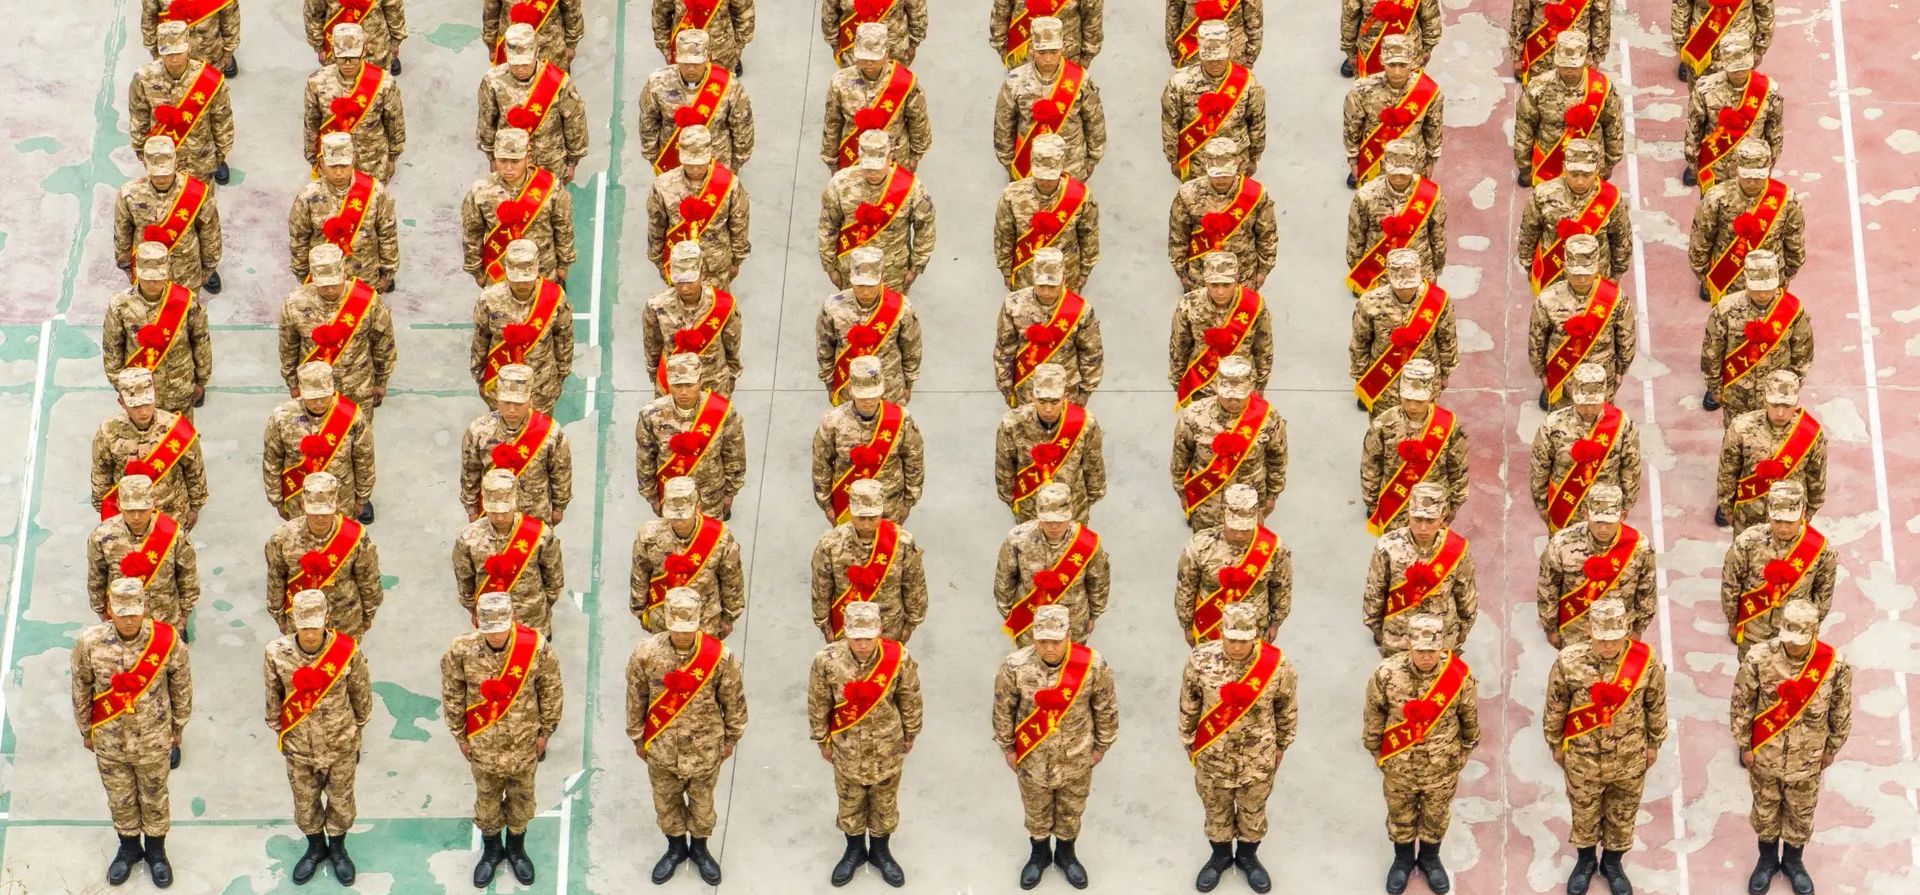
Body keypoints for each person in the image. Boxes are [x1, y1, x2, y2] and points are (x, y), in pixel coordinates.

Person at [1543, 598, 1668, 895]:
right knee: (1584, 813)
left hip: (1629, 757)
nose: (1609, 645)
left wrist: (1654, 744)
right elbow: (1556, 706)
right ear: (1589, 630)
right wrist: (1556, 745)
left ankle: (1612, 863)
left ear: (1625, 631)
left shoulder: (1646, 662)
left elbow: (1656, 706)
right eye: (1602, 639)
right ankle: (1585, 862)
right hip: (1583, 757)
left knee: (1622, 815)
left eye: (1614, 638)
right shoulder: (1569, 661)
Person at [73, 578, 192, 887]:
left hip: (153, 737)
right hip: (110, 737)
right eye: (122, 613)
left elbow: (181, 686)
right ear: (110, 610)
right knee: (120, 796)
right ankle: (128, 848)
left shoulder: (166, 641)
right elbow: (81, 686)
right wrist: (85, 729)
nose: (128, 620)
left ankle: (156, 851)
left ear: (144, 608)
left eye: (134, 613)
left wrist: (178, 727)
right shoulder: (90, 642)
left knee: (155, 795)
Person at [992, 604, 1120, 890]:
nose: (1049, 648)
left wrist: (1101, 746)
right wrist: (1008, 749)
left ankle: (1066, 854)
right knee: (1035, 809)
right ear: (1033, 637)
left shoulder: (1092, 665)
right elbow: (1003, 709)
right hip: (1033, 756)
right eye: (1042, 641)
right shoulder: (1015, 666)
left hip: (1076, 754)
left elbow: (1105, 707)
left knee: (1071, 808)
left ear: (1068, 636)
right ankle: (1039, 855)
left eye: (1056, 641)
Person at [443, 591, 564, 887]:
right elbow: (453, 694)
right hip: (483, 745)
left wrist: (545, 732)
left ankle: (517, 849)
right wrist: (460, 736)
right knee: (487, 802)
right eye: (489, 630)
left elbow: (551, 690)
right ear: (478, 625)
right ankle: (492, 850)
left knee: (522, 799)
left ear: (513, 620)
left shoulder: (535, 648)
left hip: (524, 743)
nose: (496, 636)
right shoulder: (461, 650)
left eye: (501, 629)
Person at [1730, 599, 1850, 895]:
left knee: (1801, 813)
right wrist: (1745, 745)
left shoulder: (1833, 666)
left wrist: (1832, 747)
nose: (1793, 645)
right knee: (1765, 810)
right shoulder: (1760, 658)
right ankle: (1767, 860)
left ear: (1814, 633)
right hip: (1766, 754)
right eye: (1789, 638)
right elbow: (1742, 703)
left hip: (1808, 758)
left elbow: (1841, 709)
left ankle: (1794, 863)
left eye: (1800, 640)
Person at [628, 588, 747, 885]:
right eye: (677, 628)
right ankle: (676, 848)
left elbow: (733, 702)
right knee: (666, 803)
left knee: (702, 805)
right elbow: (636, 698)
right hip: (662, 747)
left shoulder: (719, 657)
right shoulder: (646, 654)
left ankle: (701, 850)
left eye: (688, 628)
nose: (682, 635)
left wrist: (730, 740)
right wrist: (638, 739)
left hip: (705, 748)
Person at [1179, 602, 1294, 894]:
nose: (1238, 647)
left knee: (1253, 811)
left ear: (1256, 635)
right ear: (1221, 633)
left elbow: (1286, 708)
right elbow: (1189, 703)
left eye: (1244, 640)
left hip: (1258, 757)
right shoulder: (1200, 660)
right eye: (1231, 639)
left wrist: (1282, 745)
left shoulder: (1277, 665)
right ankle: (1219, 857)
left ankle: (1247, 857)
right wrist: (1189, 741)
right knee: (1215, 809)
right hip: (1213, 755)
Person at [809, 600, 924, 887]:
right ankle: (855, 850)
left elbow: (909, 698)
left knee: (885, 802)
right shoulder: (827, 660)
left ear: (880, 631)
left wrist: (910, 734)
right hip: (847, 746)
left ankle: (881, 852)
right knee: (850, 801)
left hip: (887, 745)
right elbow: (818, 702)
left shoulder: (897, 658)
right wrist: (822, 740)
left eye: (868, 638)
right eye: (856, 637)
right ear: (846, 632)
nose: (862, 645)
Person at [1363, 614, 1479, 895]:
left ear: (1441, 647)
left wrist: (1464, 752)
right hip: (1399, 764)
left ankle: (1430, 858)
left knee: (1436, 816)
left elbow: (1469, 718)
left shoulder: (1457, 676)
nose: (1426, 657)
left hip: (1442, 765)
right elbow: (1374, 713)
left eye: (1432, 651)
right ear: (1408, 645)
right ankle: (1402, 860)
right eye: (1420, 651)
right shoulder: (1387, 674)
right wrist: (1376, 749)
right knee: (1400, 814)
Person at [264, 589, 373, 885]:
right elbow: (273, 697)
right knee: (305, 803)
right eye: (304, 626)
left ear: (327, 619)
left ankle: (338, 849)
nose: (310, 633)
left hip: (340, 744)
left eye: (315, 625)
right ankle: (315, 848)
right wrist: (281, 732)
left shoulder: (347, 651)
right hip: (299, 746)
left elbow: (361, 696)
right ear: (293, 623)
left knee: (341, 802)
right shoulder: (277, 653)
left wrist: (354, 732)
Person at [1720, 481, 1834, 656]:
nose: (1783, 528)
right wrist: (1732, 621)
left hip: (1795, 637)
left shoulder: (1820, 551)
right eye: (1777, 520)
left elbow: (1823, 594)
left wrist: (1811, 627)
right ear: (1768, 513)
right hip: (1754, 631)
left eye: (1790, 521)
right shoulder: (1748, 542)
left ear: (1802, 514)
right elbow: (1731, 585)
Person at [264, 471, 384, 637]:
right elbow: (276, 578)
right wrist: (278, 615)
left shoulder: (355, 536)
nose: (320, 518)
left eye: (326, 511)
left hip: (345, 619)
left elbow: (368, 578)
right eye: (314, 512)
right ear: (302, 505)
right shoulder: (282, 538)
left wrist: (369, 613)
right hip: (302, 623)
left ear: (336, 503)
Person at [1362, 483, 1476, 655]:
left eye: (1430, 520)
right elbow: (1375, 594)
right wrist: (1381, 631)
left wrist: (1462, 631)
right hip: (1399, 639)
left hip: (1442, 641)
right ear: (1408, 515)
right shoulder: (1388, 547)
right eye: (1417, 519)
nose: (1423, 528)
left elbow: (1466, 596)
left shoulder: (1456, 548)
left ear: (1442, 517)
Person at [279, 244, 398, 410]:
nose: (330, 289)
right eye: (323, 284)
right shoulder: (295, 304)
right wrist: (293, 383)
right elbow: (288, 347)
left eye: (334, 283)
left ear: (344, 272)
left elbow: (383, 344)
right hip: (314, 394)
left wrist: (381, 381)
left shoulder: (368, 301)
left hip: (358, 388)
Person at [1172, 356, 1286, 530]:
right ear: (1217, 387)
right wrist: (1182, 493)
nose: (1233, 402)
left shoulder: (1267, 418)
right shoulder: (1194, 415)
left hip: (1248, 506)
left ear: (1250, 388)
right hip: (1207, 503)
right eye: (1228, 396)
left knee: (1246, 545)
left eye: (1239, 396)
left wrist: (1273, 495)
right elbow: (1180, 456)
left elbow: (1277, 457)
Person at [1536, 484, 1656, 648]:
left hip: (1617, 635)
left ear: (1622, 516)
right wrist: (1550, 628)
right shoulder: (1561, 544)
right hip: (1575, 632)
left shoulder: (1639, 547)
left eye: (1609, 522)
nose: (1603, 529)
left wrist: (1639, 628)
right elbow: (1548, 586)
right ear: (1586, 514)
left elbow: (1646, 589)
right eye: (1598, 521)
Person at [1700, 250, 1812, 423]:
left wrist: (1792, 386)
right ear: (1746, 279)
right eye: (1757, 288)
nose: (1762, 295)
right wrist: (1715, 387)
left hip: (1776, 399)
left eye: (1767, 288)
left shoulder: (1791, 309)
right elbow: (1712, 351)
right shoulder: (1726, 309)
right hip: (1737, 395)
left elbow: (1803, 351)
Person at [1529, 364, 1644, 532]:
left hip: (1605, 511)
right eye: (1583, 403)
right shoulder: (1553, 424)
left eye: (1594, 403)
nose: (1589, 409)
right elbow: (1540, 465)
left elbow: (1631, 466)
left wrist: (1626, 504)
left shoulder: (1622, 425)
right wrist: (1541, 503)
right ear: (1573, 394)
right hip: (1566, 506)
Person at [1688, 139, 1805, 303]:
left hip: (1768, 287)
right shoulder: (1717, 198)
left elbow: (1794, 243)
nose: (1752, 182)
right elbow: (1701, 240)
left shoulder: (1786, 200)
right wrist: (1705, 276)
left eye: (1758, 177)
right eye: (1746, 176)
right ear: (1738, 169)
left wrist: (1786, 276)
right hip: (1726, 283)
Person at [818, 130, 937, 291]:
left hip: (893, 273)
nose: (873, 173)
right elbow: (828, 225)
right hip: (852, 272)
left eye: (878, 168)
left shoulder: (911, 188)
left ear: (890, 158)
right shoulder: (840, 183)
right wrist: (830, 266)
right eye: (868, 168)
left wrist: (916, 266)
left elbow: (926, 227)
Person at [103, 242, 212, 416]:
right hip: (140, 392)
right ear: (137, 272)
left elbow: (201, 340)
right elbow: (112, 348)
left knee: (179, 432)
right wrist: (120, 385)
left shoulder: (186, 301)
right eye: (147, 277)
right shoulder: (121, 305)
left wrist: (201, 379)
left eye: (157, 277)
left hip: (179, 385)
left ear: (167, 272)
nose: (152, 283)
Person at [812, 356, 926, 522]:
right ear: (850, 389)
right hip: (848, 505)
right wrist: (826, 504)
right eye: (862, 396)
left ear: (882, 389)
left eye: (873, 395)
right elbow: (821, 464)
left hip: (889, 504)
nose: (868, 402)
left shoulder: (901, 420)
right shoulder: (832, 422)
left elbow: (914, 461)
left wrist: (909, 501)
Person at [811, 480, 928, 642]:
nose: (866, 525)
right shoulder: (831, 543)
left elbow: (914, 585)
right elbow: (821, 587)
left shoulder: (901, 542)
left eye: (872, 518)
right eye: (861, 518)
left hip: (889, 626)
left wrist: (911, 624)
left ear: (881, 511)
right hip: (848, 629)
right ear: (851, 511)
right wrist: (825, 625)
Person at [1527, 235, 1635, 410]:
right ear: (1565, 268)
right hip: (1562, 374)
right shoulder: (1548, 299)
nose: (1582, 280)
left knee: (1600, 419)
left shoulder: (1614, 298)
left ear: (1597, 267)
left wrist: (1621, 370)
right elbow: (1537, 339)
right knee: (1561, 420)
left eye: (1587, 273)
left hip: (1601, 373)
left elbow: (1626, 336)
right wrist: (1541, 373)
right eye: (1577, 274)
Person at [994, 483, 1110, 644]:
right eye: (1048, 521)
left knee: (1070, 660)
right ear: (1038, 514)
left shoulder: (1086, 542)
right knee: (1030, 659)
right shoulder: (1018, 539)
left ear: (1070, 513)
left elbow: (1098, 581)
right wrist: (1009, 614)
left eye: (1060, 520)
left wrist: (1094, 615)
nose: (1054, 526)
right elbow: (1004, 579)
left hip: (1073, 622)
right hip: (1030, 620)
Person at [1359, 360, 1467, 533]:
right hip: (1395, 505)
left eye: (1419, 401)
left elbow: (1458, 467)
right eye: (1407, 399)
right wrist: (1372, 503)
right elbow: (1371, 465)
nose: (1413, 406)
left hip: (1434, 508)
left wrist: (1455, 503)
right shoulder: (1383, 424)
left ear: (1431, 395)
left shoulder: (1447, 425)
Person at [92, 368, 208, 527]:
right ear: (122, 403)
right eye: (136, 406)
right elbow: (101, 473)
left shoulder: (175, 428)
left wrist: (195, 506)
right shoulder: (108, 432)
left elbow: (194, 468)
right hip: (129, 517)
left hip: (172, 513)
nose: (143, 412)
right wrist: (104, 510)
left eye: (147, 403)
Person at [454, 470, 566, 635]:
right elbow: (465, 581)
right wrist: (475, 609)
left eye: (505, 512)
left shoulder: (539, 534)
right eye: (493, 512)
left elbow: (554, 577)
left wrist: (541, 605)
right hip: (491, 625)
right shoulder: (469, 539)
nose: (499, 518)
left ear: (515, 503)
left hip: (533, 621)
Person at [636, 354, 749, 518]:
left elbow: (734, 453)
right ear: (669, 383)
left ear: (701, 381)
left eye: (689, 385)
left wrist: (731, 492)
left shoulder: (721, 411)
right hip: (672, 501)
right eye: (677, 385)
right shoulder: (652, 414)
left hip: (710, 496)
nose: (683, 392)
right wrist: (651, 496)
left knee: (709, 535)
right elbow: (645, 458)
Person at [1173, 484, 1289, 644]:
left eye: (1245, 529)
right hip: (1210, 630)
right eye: (1234, 528)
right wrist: (1186, 625)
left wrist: (1276, 623)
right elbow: (1187, 587)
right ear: (1223, 516)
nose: (1239, 535)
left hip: (1253, 633)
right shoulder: (1200, 546)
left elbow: (1281, 587)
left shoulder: (1273, 548)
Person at [262, 362, 376, 523]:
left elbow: (364, 460)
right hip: (299, 499)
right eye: (312, 398)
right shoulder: (282, 417)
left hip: (340, 499)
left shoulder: (351, 417)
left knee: (339, 537)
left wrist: (362, 497)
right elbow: (272, 459)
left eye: (324, 396)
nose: (319, 403)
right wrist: (277, 499)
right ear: (301, 392)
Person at [630, 477, 745, 637]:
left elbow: (732, 578)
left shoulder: (719, 537)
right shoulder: (649, 536)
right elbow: (640, 573)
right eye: (673, 516)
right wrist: (640, 610)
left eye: (683, 516)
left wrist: (730, 617)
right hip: (664, 619)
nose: (678, 522)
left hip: (705, 621)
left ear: (698, 508)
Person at [994, 16, 1105, 180]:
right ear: (1031, 50)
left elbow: (1094, 120)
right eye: (1042, 52)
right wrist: (1009, 163)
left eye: (1054, 52)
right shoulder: (1015, 81)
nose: (1048, 59)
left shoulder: (1080, 79)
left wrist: (1094, 157)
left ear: (1063, 48)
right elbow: (1003, 125)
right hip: (1029, 168)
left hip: (1071, 166)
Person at [470, 239, 575, 413]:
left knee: (541, 430)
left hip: (542, 387)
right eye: (516, 280)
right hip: (501, 389)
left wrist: (562, 373)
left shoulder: (554, 297)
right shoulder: (489, 299)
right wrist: (480, 376)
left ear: (536, 270)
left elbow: (564, 337)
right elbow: (481, 339)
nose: (521, 285)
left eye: (526, 279)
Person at [1350, 248, 1456, 417]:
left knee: (1423, 426)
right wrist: (1361, 376)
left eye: (1411, 286)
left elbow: (1447, 339)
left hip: (1424, 383)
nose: (1406, 291)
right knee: (1386, 426)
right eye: (1400, 287)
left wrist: (1445, 373)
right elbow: (1360, 343)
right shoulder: (1371, 303)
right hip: (1384, 382)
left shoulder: (1437, 301)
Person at [462, 128, 576, 285]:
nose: (508, 168)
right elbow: (472, 232)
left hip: (542, 271)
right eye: (502, 161)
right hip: (500, 275)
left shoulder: (550, 187)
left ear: (528, 159)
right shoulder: (480, 191)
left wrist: (563, 264)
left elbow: (563, 227)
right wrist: (477, 271)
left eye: (515, 161)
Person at [461, 364, 574, 523]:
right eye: (506, 403)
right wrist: (471, 507)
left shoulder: (550, 432)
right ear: (497, 398)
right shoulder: (479, 430)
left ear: (530, 399)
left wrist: (559, 506)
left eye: (518, 404)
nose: (512, 410)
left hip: (535, 515)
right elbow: (470, 471)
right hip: (494, 516)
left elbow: (561, 471)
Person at [992, 248, 1104, 406]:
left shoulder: (1080, 310)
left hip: (1065, 393)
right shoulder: (1014, 305)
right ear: (1033, 278)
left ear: (1064, 279)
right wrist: (1006, 386)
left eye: (1052, 286)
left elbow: (1091, 352)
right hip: (1027, 389)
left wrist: (1086, 391)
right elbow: (1004, 348)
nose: (1046, 292)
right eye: (1041, 285)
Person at [1517, 141, 1632, 294]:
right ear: (1564, 167)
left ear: (1597, 169)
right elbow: (1529, 232)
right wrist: (1528, 265)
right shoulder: (1543, 194)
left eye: (1587, 175)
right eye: (1574, 174)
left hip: (1594, 278)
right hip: (1553, 275)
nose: (1580, 181)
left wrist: (1617, 274)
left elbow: (1621, 237)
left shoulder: (1610, 199)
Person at [1715, 370, 1825, 529]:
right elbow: (1728, 470)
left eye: (1787, 406)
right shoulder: (1741, 427)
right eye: (1775, 405)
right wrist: (1726, 507)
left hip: (1790, 518)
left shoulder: (1809, 432)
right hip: (1749, 513)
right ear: (1765, 400)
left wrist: (1812, 509)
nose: (1780, 413)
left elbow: (1816, 475)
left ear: (1796, 402)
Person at [995, 364, 1106, 522]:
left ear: (1065, 397)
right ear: (1032, 396)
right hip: (1030, 510)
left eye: (1054, 402)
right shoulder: (1013, 423)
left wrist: (1085, 502)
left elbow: (1094, 470)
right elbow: (1004, 470)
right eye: (1042, 401)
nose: (1048, 409)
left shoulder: (1085, 423)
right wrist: (1014, 501)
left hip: (1072, 511)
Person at [87, 473, 200, 630]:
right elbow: (96, 577)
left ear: (153, 504)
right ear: (119, 505)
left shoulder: (173, 533)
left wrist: (185, 614)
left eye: (142, 509)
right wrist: (101, 610)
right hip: (124, 624)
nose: (136, 517)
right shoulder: (102, 536)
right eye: (130, 510)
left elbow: (187, 575)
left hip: (165, 620)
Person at [478, 23, 588, 181]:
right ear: (506, 53)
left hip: (549, 163)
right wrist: (492, 157)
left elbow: (574, 121)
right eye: (515, 64)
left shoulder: (557, 81)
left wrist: (572, 161)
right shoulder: (493, 81)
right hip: (510, 161)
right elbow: (487, 120)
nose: (520, 70)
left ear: (537, 52)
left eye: (525, 64)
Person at [291, 134, 401, 291]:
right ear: (321, 163)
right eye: (332, 166)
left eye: (344, 165)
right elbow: (299, 239)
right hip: (324, 283)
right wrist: (304, 276)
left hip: (365, 278)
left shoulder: (375, 193)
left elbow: (387, 234)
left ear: (353, 160)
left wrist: (387, 274)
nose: (338, 173)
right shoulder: (307, 197)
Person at [130, 21, 235, 184]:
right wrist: (140, 148)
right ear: (159, 51)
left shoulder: (207, 79)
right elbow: (139, 115)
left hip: (201, 156)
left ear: (189, 48)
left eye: (179, 52)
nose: (174, 59)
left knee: (201, 198)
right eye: (168, 53)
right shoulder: (144, 78)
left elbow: (221, 118)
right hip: (162, 158)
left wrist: (221, 152)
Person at [114, 136, 223, 293]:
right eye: (156, 174)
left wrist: (209, 266)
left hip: (186, 271)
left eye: (166, 173)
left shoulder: (196, 193)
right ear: (145, 165)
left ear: (176, 163)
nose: (162, 179)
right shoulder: (129, 194)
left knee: (187, 307)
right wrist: (125, 264)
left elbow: (210, 233)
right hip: (147, 272)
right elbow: (122, 232)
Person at [647, 125, 752, 287]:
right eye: (689, 164)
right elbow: (656, 224)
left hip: (717, 265)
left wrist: (737, 259)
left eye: (701, 164)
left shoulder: (728, 184)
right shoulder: (663, 186)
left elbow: (739, 223)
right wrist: (658, 260)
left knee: (717, 303)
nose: (695, 170)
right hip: (681, 266)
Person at [1513, 33, 1623, 185]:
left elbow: (1613, 126)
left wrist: (1611, 162)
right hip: (1548, 164)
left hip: (1588, 168)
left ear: (1586, 60)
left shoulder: (1602, 88)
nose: (1569, 71)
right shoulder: (1538, 88)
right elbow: (1524, 128)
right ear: (1555, 60)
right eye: (1564, 66)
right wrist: (1524, 166)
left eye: (1574, 66)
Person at [1161, 22, 1266, 180]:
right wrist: (1173, 158)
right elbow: (1170, 122)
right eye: (1209, 59)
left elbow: (1257, 121)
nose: (1215, 64)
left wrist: (1255, 156)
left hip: (1236, 161)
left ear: (1229, 51)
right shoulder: (1180, 82)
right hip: (1196, 159)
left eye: (1219, 58)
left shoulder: (1248, 82)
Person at [1168, 139, 1277, 290]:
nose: (1221, 179)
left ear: (1237, 165)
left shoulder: (1255, 194)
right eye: (1216, 174)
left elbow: (1267, 234)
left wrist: (1263, 270)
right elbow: (1178, 235)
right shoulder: (1188, 194)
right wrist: (1181, 270)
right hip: (1201, 275)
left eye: (1226, 174)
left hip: (1243, 274)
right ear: (1206, 166)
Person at [818, 246, 923, 404]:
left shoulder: (901, 308)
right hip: (849, 387)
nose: (865, 292)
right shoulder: (833, 307)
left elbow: (911, 347)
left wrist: (909, 383)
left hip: (890, 387)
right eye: (860, 285)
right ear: (851, 278)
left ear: (882, 278)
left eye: (871, 286)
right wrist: (829, 383)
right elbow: (825, 347)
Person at [996, 134, 1101, 290]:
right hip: (1026, 274)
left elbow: (1088, 234)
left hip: (1066, 275)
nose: (1045, 182)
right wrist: (1005, 268)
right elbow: (1005, 233)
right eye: (1040, 176)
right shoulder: (1013, 195)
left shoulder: (1079, 196)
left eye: (1050, 177)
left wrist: (1086, 270)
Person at [640, 29, 755, 172]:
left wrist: (736, 164)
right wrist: (653, 156)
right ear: (676, 57)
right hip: (673, 161)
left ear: (707, 57)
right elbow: (648, 121)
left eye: (697, 64)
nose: (691, 69)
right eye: (685, 63)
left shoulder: (729, 86)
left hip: (716, 164)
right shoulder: (658, 83)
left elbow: (742, 127)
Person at [303, 23, 405, 181]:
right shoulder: (317, 82)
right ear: (334, 52)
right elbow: (312, 122)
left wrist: (393, 156)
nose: (348, 63)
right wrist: (312, 157)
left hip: (372, 161)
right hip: (334, 163)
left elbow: (394, 122)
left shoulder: (383, 83)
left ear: (364, 51)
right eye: (342, 58)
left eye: (353, 57)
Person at [826, 23, 933, 172]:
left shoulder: (904, 81)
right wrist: (831, 158)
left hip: (894, 157)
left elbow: (918, 120)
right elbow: (833, 122)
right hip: (854, 156)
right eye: (864, 58)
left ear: (886, 54)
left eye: (875, 58)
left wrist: (916, 155)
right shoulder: (840, 81)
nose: (869, 64)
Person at [1682, 34, 1782, 190]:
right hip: (1716, 164)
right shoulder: (1705, 89)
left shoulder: (1768, 91)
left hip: (1751, 171)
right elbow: (1694, 128)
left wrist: (1769, 164)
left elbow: (1774, 132)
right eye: (1734, 68)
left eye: (1743, 67)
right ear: (1724, 63)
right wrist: (1693, 162)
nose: (1739, 73)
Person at [1342, 35, 1444, 187]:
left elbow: (1433, 128)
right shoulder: (1362, 90)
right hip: (1375, 164)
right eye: (1391, 64)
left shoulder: (1427, 91)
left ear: (1412, 61)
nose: (1397, 72)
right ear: (1381, 60)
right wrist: (1353, 160)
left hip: (1413, 164)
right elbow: (1352, 127)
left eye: (1403, 65)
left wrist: (1431, 161)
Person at [642, 242, 741, 397]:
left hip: (713, 385)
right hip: (674, 387)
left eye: (689, 280)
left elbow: (732, 345)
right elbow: (652, 345)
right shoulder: (657, 306)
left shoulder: (722, 304)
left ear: (702, 273)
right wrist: (654, 374)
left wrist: (732, 375)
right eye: (679, 280)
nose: (684, 288)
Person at [1174, 253, 1273, 407]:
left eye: (1227, 285)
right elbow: (1180, 345)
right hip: (1202, 387)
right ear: (1205, 280)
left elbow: (1263, 346)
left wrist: (1261, 383)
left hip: (1242, 389)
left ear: (1237, 278)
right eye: (1214, 285)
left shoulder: (1253, 304)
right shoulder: (1189, 304)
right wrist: (1178, 382)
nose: (1220, 292)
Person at [1347, 140, 1447, 291]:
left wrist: (1437, 267)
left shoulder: (1430, 195)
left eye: (1404, 174)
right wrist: (1357, 271)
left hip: (1419, 273)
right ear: (1385, 165)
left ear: (1413, 166)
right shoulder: (1366, 196)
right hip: (1378, 273)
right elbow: (1356, 236)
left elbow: (1438, 236)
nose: (1398, 179)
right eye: (1393, 173)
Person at [1671, 0, 1774, 81]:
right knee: (1701, 94)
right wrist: (1681, 42)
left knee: (1737, 94)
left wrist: (1760, 48)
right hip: (1702, 45)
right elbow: (1681, 6)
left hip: (1739, 47)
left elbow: (1765, 9)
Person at [1509, 0, 1610, 82]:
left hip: (1577, 59)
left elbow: (1601, 18)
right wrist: (1517, 55)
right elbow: (1520, 15)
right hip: (1539, 58)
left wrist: (1597, 57)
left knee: (1575, 98)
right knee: (1536, 96)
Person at [1339, 0, 1441, 78]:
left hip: (1409, 51)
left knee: (1408, 90)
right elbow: (1349, 19)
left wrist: (1428, 47)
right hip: (1371, 53)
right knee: (1371, 92)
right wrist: (1351, 53)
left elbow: (1430, 15)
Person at [990, 0, 1103, 67]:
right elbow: (1001, 12)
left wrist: (1087, 56)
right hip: (1023, 60)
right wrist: (1002, 48)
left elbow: (1092, 18)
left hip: (1066, 60)